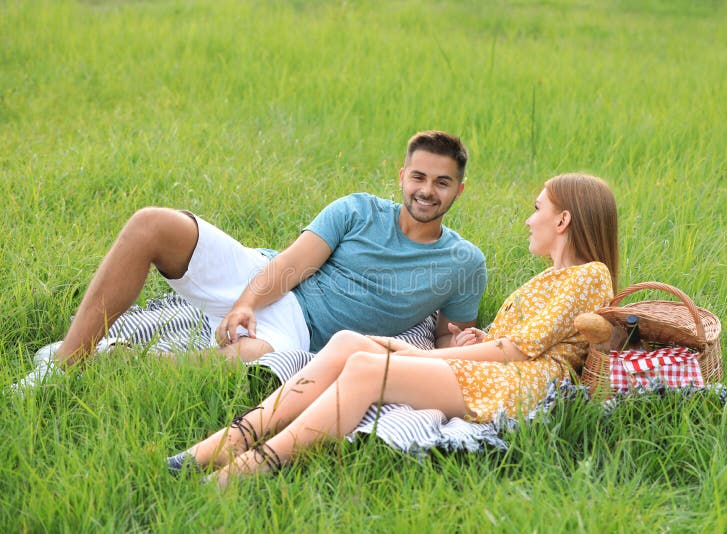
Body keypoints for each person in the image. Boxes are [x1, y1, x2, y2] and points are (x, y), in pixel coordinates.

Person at [168, 173, 619, 487]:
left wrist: (414, 356)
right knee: (347, 342)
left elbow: (517, 352)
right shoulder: (549, 278)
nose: (529, 218)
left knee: (367, 368)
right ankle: (226, 441)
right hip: (500, 372)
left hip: (518, 386)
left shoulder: (591, 275)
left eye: (538, 208)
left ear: (563, 220)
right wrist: (470, 341)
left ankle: (249, 467)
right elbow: (507, 341)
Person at [11, 131, 487, 390]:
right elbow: (292, 265)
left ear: (458, 190)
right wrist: (244, 304)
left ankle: (120, 364)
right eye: (419, 177)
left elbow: (445, 333)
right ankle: (67, 363)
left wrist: (460, 340)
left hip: (302, 333)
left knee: (256, 355)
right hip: (260, 276)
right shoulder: (357, 209)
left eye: (441, 183)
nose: (427, 191)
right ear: (402, 176)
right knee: (152, 223)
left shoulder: (463, 263)